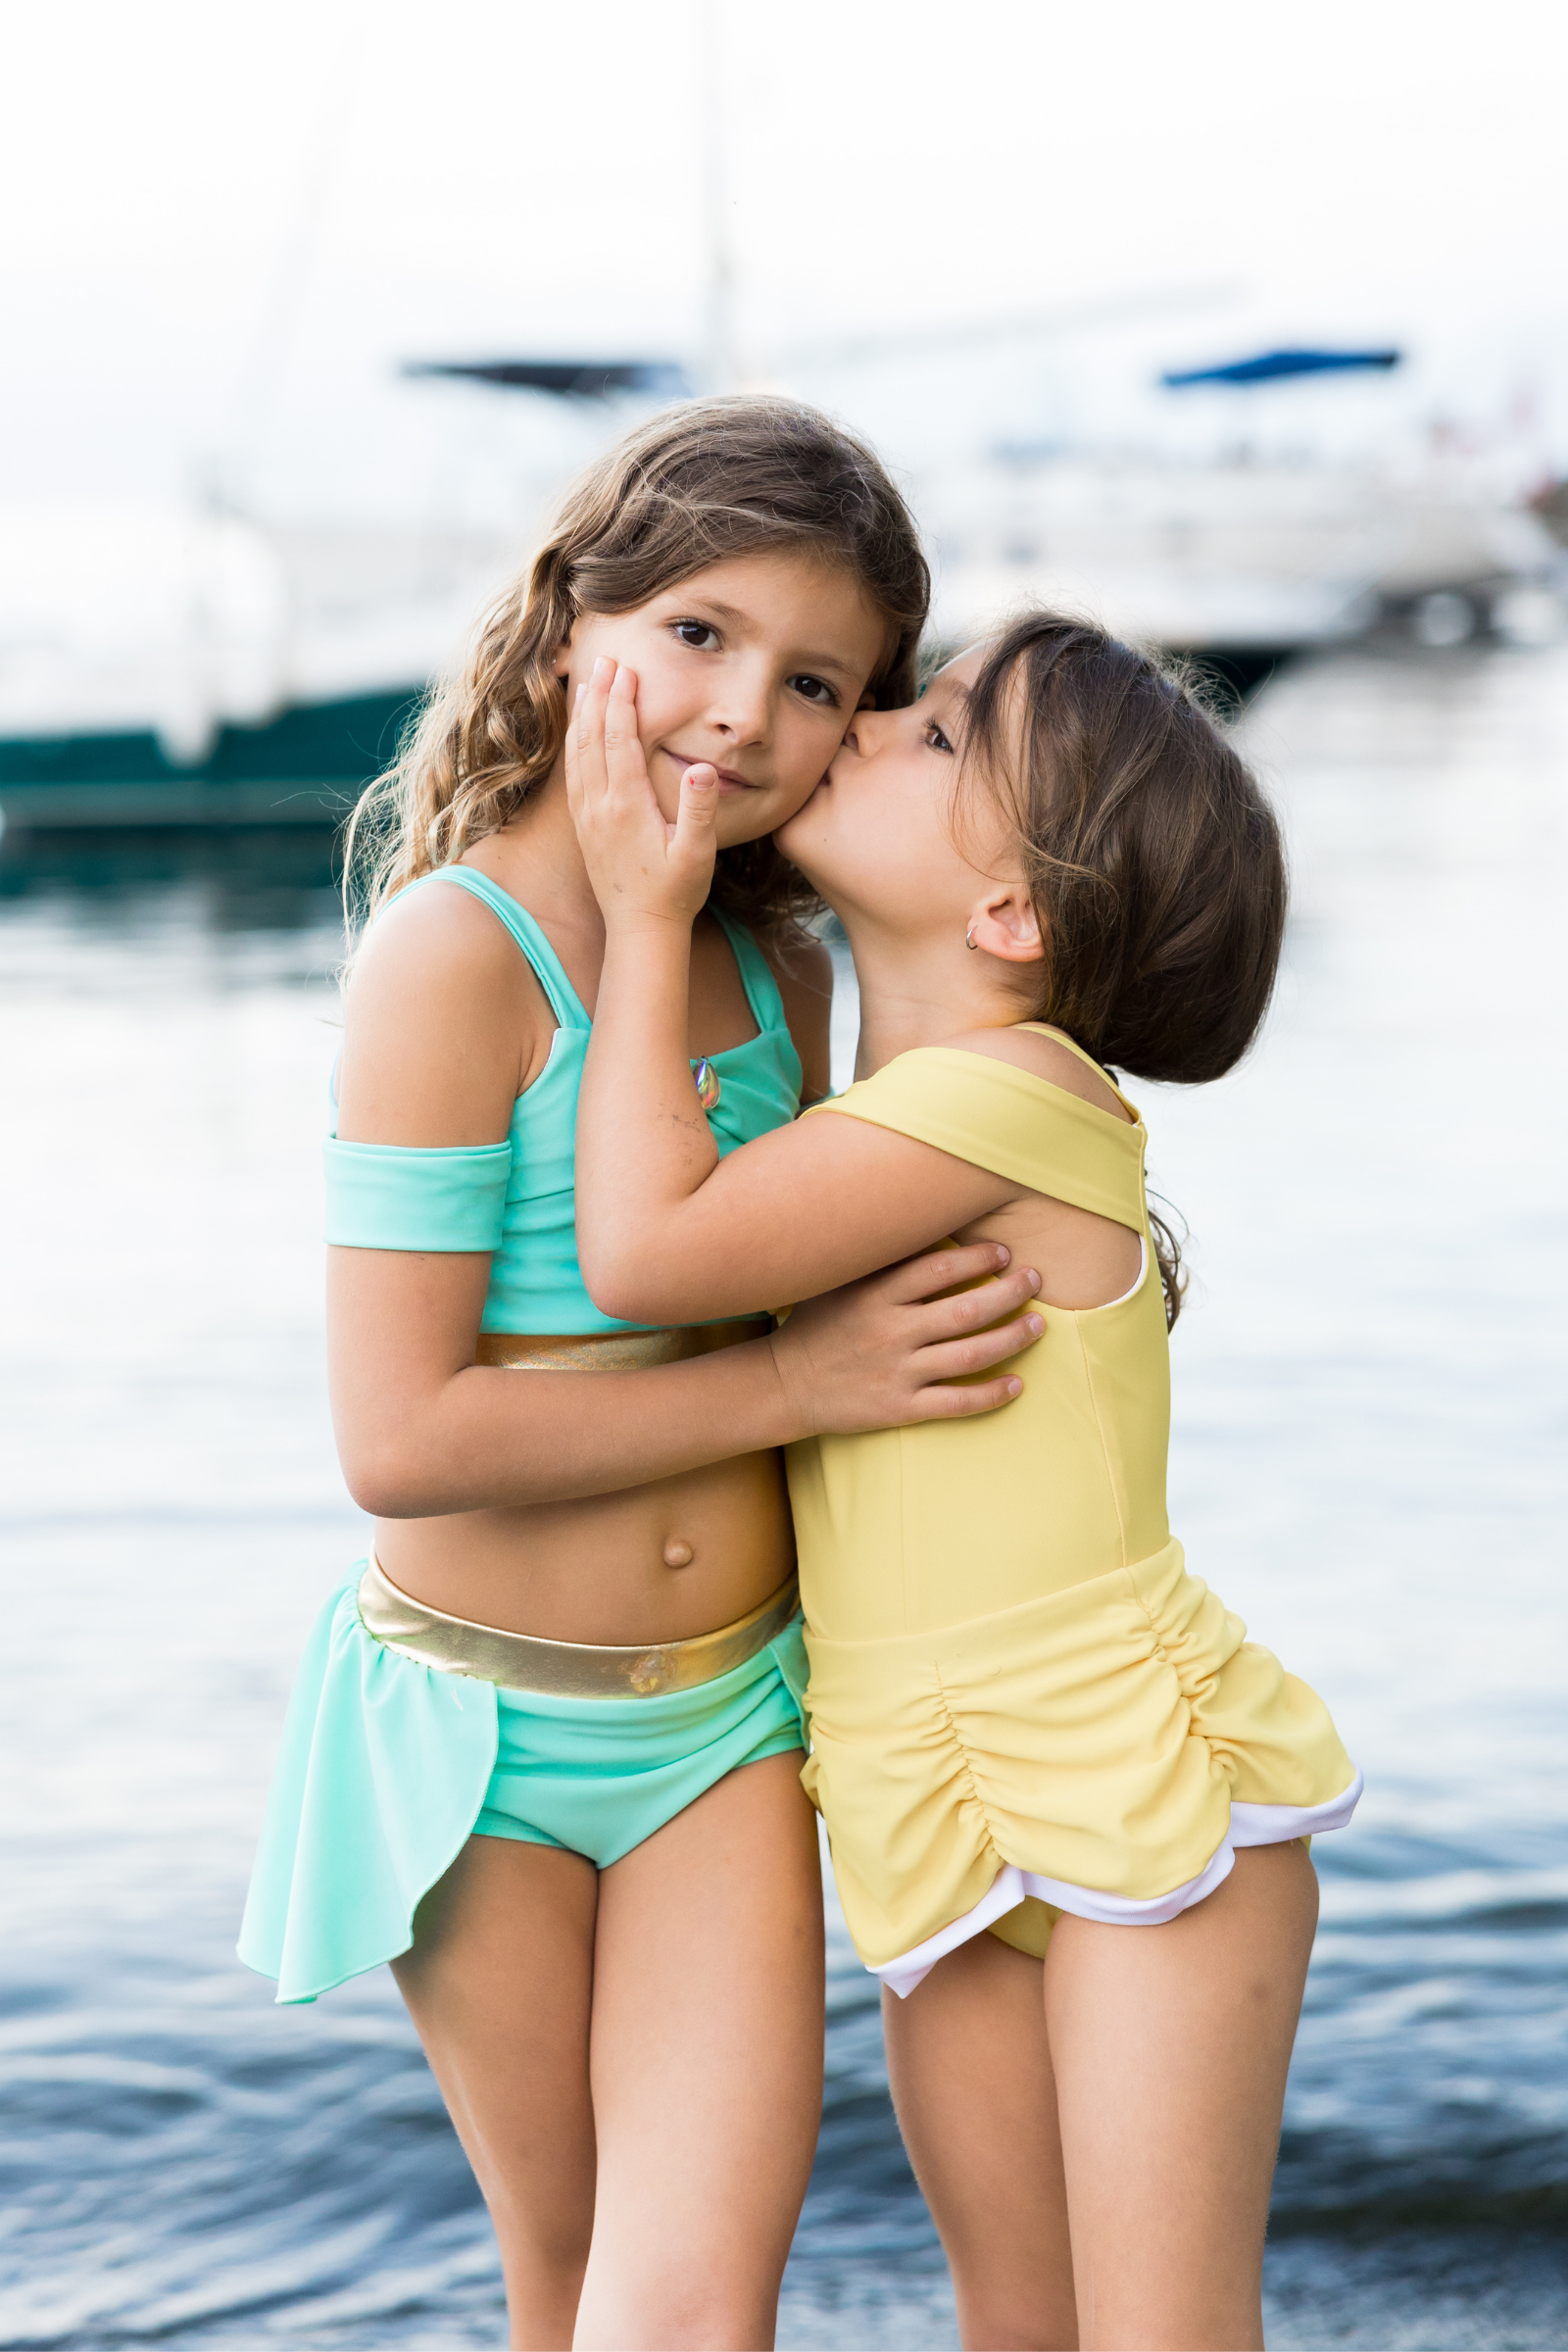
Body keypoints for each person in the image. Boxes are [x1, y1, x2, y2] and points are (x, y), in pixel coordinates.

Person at [237, 399, 1047, 2352]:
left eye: (813, 681)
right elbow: (402, 1436)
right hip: (482, 1744)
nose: (740, 712)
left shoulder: (776, 967)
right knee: (567, 2271)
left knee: (692, 2301)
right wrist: (801, 1389)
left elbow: (844, 1282)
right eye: (695, 633)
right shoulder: (455, 956)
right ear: (564, 624)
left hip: (725, 1736)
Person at [565, 612, 1364, 2352]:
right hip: (933, 1790)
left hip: (1132, 1781)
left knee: (1159, 2331)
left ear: (1010, 914)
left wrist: (641, 919)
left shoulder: (1014, 1093)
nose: (868, 723)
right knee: (1019, 2319)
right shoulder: (880, 1101)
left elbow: (642, 1251)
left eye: (933, 736)